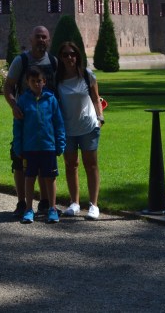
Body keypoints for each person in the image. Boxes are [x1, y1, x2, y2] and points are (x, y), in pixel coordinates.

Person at [4, 25, 59, 216]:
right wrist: (14, 106)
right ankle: (22, 203)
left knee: (45, 162)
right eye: (38, 37)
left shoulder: (53, 61)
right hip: (25, 120)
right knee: (19, 161)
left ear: (48, 40)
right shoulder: (21, 61)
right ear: (31, 39)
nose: (41, 40)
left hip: (47, 122)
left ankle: (45, 202)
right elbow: (8, 87)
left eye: (44, 37)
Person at [55, 41, 104, 220]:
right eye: (66, 54)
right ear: (61, 58)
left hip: (88, 126)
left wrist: (100, 118)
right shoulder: (57, 78)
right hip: (67, 128)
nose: (70, 57)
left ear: (78, 56)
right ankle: (74, 203)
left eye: (73, 54)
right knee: (71, 165)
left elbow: (96, 98)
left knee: (91, 165)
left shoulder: (87, 75)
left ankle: (94, 205)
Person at [12, 65, 65, 224]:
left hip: (48, 146)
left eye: (39, 81)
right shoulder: (23, 101)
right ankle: (29, 209)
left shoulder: (51, 99)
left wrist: (60, 143)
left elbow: (58, 123)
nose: (36, 84)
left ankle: (52, 208)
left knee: (50, 177)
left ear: (44, 82)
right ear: (27, 82)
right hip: (30, 147)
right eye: (33, 81)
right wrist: (18, 146)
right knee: (29, 178)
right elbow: (18, 126)